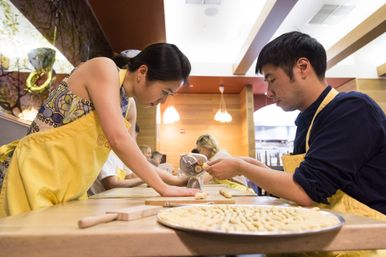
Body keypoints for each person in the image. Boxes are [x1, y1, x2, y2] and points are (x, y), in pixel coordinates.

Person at [0, 43, 198, 217]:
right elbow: (118, 139)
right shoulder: (103, 67)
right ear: (142, 72)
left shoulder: (129, 107)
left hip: (69, 188)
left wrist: (174, 180)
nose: (163, 101)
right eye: (165, 92)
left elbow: (132, 156)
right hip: (33, 174)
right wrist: (163, 188)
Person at [206, 32, 386, 216]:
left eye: (272, 80)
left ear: (302, 67)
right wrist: (252, 164)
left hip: (371, 233)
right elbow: (298, 183)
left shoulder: (352, 109)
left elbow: (307, 191)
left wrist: (240, 167)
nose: (268, 92)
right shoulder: (307, 121)